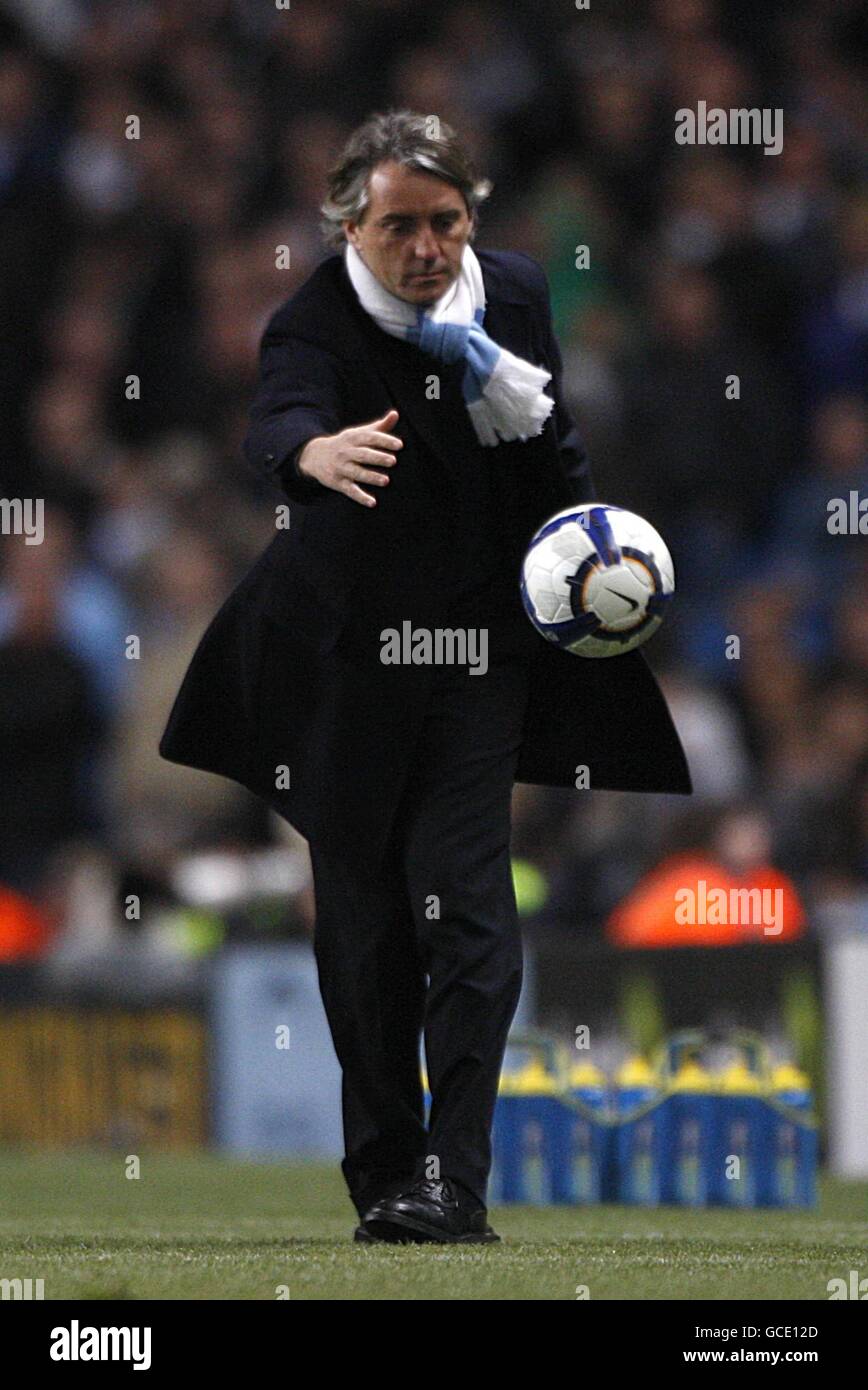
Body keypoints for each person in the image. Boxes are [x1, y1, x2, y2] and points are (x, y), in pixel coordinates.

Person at [159, 110, 690, 1243]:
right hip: (342, 665)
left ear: (472, 216)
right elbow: (274, 422)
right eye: (397, 225)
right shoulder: (310, 319)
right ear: (350, 222)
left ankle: (453, 1179)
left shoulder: (517, 298)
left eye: (444, 221)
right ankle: (386, 1168)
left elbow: (553, 449)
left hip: (475, 654)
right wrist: (309, 454)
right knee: (363, 935)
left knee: (469, 907)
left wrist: (598, 556)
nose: (425, 247)